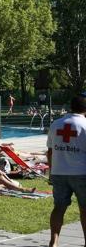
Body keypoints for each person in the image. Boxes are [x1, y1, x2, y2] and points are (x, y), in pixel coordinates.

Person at [47, 94, 86, 247]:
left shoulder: (56, 124)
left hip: (59, 172)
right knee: (84, 209)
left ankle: (54, 242)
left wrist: (51, 172)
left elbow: (50, 151)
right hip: (81, 173)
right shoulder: (84, 125)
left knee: (59, 208)